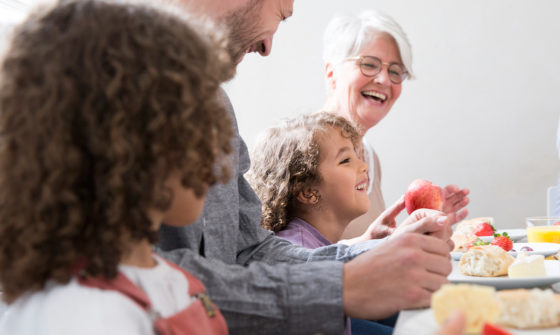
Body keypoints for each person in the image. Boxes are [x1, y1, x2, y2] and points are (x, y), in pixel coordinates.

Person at [158, 1, 468, 333]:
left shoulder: (216, 104)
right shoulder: (131, 94)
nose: (267, 47)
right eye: (280, 14)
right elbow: (155, 278)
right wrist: (340, 286)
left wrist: (379, 253)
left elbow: (250, 249)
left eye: (396, 71)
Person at [0, 0, 236, 333]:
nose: (216, 145)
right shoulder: (79, 315)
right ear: (125, 139)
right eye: (197, 119)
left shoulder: (171, 283)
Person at [247, 111, 458, 334]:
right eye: (346, 160)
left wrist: (375, 244)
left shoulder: (309, 240)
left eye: (358, 156)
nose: (363, 166)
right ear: (308, 191)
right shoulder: (297, 250)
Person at [321, 10, 470, 240]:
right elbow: (288, 258)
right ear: (332, 74)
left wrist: (425, 226)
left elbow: (369, 255)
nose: (383, 80)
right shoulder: (305, 149)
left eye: (395, 71)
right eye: (369, 64)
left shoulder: (368, 155)